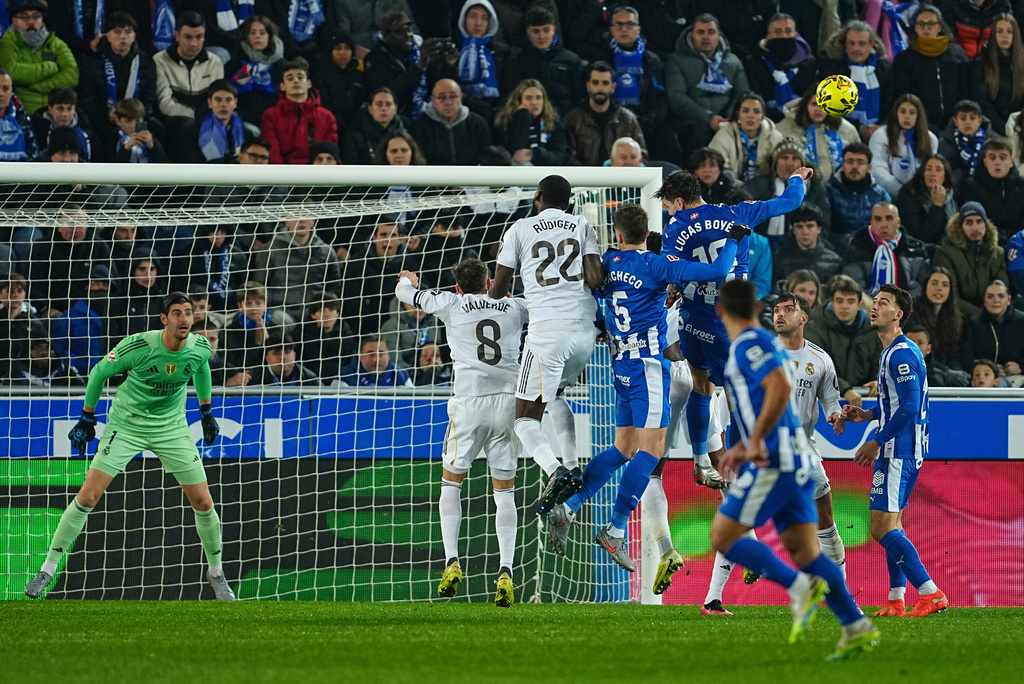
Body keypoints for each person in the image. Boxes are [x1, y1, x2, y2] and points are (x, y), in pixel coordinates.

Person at [542, 203, 744, 579]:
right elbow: (717, 271)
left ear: (617, 234)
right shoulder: (655, 264)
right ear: (646, 230)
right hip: (649, 367)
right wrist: (733, 239)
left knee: (624, 449)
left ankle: (569, 507)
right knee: (651, 452)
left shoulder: (605, 263)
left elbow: (594, 302)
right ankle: (616, 530)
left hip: (619, 365)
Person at [24, 292, 234, 601]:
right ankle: (48, 568)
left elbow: (201, 368)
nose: (184, 319)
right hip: (127, 425)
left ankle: (216, 573)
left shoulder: (200, 347)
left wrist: (206, 411)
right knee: (88, 496)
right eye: (177, 313)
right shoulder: (138, 346)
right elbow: (98, 373)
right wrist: (87, 419)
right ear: (164, 319)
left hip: (171, 428)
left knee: (203, 502)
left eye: (188, 313)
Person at [711, 279, 878, 659]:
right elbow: (774, 400)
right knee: (806, 551)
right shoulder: (769, 344)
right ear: (758, 308)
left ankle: (799, 588)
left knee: (723, 536)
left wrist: (754, 442)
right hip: (795, 455)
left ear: (721, 311)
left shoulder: (749, 344)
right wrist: (742, 443)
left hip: (776, 459)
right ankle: (855, 625)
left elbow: (780, 389)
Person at [656, 166, 809, 489]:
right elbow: (789, 202)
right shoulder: (738, 213)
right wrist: (796, 177)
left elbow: (671, 274)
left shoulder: (674, 228)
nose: (670, 211)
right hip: (728, 319)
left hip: (692, 318)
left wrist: (674, 285)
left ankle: (700, 463)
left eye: (669, 205)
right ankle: (750, 462)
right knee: (743, 394)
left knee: (702, 388)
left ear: (680, 202)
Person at [395, 260, 529, 606]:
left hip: (469, 404)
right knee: (505, 492)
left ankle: (452, 560)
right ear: (489, 281)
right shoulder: (514, 306)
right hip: (507, 403)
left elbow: (404, 294)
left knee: (451, 483)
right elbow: (542, 311)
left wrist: (408, 279)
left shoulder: (451, 303)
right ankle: (505, 569)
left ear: (458, 286)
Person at [488, 175, 604, 510]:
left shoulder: (520, 229)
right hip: (584, 335)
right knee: (554, 395)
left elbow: (498, 290)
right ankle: (571, 464)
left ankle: (556, 472)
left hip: (547, 334)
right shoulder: (582, 224)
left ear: (538, 196)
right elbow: (595, 278)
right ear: (568, 202)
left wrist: (498, 289)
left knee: (523, 419)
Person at [842, 284, 949, 618]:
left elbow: (911, 406)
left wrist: (876, 440)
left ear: (898, 314)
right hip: (905, 449)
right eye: (874, 302)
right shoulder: (893, 350)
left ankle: (931, 593)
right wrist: (869, 414)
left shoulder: (901, 353)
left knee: (881, 528)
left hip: (898, 450)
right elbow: (896, 403)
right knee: (893, 525)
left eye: (883, 303)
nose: (875, 307)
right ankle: (896, 597)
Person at [771, 293, 848, 576]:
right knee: (737, 525)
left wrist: (836, 415)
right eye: (777, 310)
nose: (780, 314)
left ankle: (840, 590)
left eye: (788, 310)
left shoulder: (820, 360)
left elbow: (831, 401)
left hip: (804, 450)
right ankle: (714, 598)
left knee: (825, 521)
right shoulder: (762, 353)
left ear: (804, 318)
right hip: (765, 451)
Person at [665, 13, 750, 157]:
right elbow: (677, 98)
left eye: (711, 32)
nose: (706, 37)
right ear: (692, 35)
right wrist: (708, 118)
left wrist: (729, 118)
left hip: (728, 121)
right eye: (700, 32)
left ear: (719, 36)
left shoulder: (733, 61)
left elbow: (742, 94)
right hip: (692, 123)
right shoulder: (676, 60)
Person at [78, 11, 157, 161]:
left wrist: (138, 116)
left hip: (138, 119)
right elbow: (87, 100)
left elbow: (150, 97)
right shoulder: (92, 62)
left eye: (128, 32)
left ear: (134, 36)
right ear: (107, 36)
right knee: (100, 134)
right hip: (105, 119)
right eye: (117, 32)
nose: (123, 37)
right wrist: (107, 113)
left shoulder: (146, 62)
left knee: (156, 129)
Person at [605, 5, 678, 164]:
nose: (624, 29)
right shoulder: (602, 57)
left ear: (638, 29)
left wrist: (649, 120)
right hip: (612, 119)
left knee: (669, 141)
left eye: (629, 25)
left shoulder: (651, 60)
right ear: (612, 29)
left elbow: (660, 96)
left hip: (646, 120)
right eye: (618, 24)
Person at [805, 274, 882, 408]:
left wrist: (878, 381)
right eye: (839, 301)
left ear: (860, 305)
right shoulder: (815, 328)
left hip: (864, 402)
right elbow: (817, 367)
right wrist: (844, 390)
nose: (844, 306)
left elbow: (880, 364)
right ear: (832, 303)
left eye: (850, 301)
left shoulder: (874, 331)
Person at [363, 11, 457, 119]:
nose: (408, 35)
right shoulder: (375, 59)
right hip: (397, 117)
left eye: (409, 29)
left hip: (429, 112)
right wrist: (418, 67)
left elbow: (437, 87)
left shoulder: (421, 51)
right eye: (399, 31)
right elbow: (386, 94)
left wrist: (448, 67)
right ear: (385, 35)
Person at [743, 136, 832, 248]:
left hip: (804, 249)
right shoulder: (758, 185)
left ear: (802, 164)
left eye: (795, 158)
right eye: (784, 158)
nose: (790, 163)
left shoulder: (814, 187)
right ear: (775, 163)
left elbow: (824, 223)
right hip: (763, 248)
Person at [891, 5, 968, 133]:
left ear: (939, 27)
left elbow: (967, 89)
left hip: (957, 124)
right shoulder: (904, 59)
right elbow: (901, 95)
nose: (926, 28)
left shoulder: (957, 53)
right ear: (915, 27)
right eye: (921, 24)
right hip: (920, 126)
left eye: (931, 24)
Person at [815, 19, 895, 143]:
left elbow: (891, 103)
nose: (855, 48)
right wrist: (858, 127)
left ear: (871, 45)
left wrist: (881, 127)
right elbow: (828, 106)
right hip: (840, 132)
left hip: (880, 132)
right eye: (851, 43)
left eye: (861, 43)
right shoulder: (831, 68)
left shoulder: (885, 68)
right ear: (844, 45)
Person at [252, 218, 341, 322]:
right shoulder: (270, 250)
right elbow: (259, 287)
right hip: (280, 312)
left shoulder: (327, 252)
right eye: (295, 217)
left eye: (306, 215)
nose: (301, 221)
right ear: (287, 222)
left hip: (316, 313)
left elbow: (334, 288)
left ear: (313, 221)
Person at [0, 0, 79, 116]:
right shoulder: (7, 43)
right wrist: (50, 67)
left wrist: (37, 86)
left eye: (36, 16)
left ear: (42, 19)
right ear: (14, 20)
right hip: (23, 113)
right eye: (24, 17)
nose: (31, 21)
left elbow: (72, 75)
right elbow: (11, 71)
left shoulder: (56, 43)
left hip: (56, 115)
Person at [564, 62, 647, 166]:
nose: (600, 88)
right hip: (584, 179)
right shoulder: (573, 119)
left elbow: (641, 156)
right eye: (595, 82)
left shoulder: (628, 119)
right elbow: (568, 157)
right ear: (588, 86)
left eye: (605, 83)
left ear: (613, 87)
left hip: (620, 179)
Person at [843, 201, 930, 298]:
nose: (884, 224)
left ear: (898, 222)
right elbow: (855, 291)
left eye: (889, 218)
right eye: (878, 219)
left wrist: (901, 306)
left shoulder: (914, 249)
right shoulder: (856, 250)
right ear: (871, 223)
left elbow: (923, 288)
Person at [260, 57, 338, 165]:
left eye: (300, 77)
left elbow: (329, 153)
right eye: (290, 78)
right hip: (283, 176)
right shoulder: (270, 115)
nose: (296, 81)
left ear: (309, 84)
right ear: (282, 86)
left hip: (317, 175)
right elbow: (273, 153)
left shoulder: (327, 117)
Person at [933, 202, 1009, 310]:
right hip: (960, 316)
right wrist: (980, 318)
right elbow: (951, 298)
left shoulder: (998, 253)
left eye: (979, 221)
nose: (975, 228)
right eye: (969, 222)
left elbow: (1002, 291)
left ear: (986, 225)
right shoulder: (946, 253)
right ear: (960, 226)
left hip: (992, 313)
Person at [743, 12, 817, 123]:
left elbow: (811, 98)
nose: (784, 36)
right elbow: (755, 99)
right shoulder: (754, 62)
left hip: (802, 120)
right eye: (778, 32)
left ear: (795, 35)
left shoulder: (808, 63)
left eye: (788, 31)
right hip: (765, 123)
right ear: (768, 36)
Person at [776, 85, 859, 182]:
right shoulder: (784, 128)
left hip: (841, 189)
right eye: (814, 104)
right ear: (806, 105)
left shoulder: (846, 129)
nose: (819, 109)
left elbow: (860, 159)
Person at [455, 1, 521, 122]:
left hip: (494, 115)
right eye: (473, 16)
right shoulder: (454, 51)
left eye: (484, 18)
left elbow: (510, 89)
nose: (478, 23)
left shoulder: (504, 53)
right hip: (458, 113)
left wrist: (498, 113)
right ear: (464, 19)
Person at [154, 12, 225, 123]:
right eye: (188, 37)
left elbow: (218, 99)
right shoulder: (160, 61)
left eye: (199, 37)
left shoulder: (215, 62)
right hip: (175, 120)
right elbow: (165, 104)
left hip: (208, 119)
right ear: (177, 36)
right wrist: (197, 117)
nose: (193, 43)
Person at [515, 6, 585, 117]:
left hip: (565, 120)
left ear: (553, 29)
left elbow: (580, 97)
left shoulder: (571, 60)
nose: (541, 36)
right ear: (528, 32)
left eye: (546, 30)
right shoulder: (520, 60)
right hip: (531, 119)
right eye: (536, 31)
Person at [223, 14, 287, 129]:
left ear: (270, 36)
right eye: (252, 33)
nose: (257, 36)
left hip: (278, 121)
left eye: (262, 33)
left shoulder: (282, 66)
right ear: (246, 37)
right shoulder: (235, 64)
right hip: (244, 121)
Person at [869, 94, 940, 198]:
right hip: (887, 194)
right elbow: (877, 170)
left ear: (918, 116)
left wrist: (918, 192)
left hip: (919, 194)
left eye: (912, 113)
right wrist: (903, 192)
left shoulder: (931, 139)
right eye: (903, 111)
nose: (907, 116)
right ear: (896, 113)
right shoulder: (880, 135)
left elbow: (930, 171)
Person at [409, 78, 492, 165]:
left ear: (461, 98)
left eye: (453, 96)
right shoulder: (419, 126)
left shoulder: (477, 123)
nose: (448, 102)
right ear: (433, 100)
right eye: (442, 97)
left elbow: (486, 157)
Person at [825, 141, 892, 244]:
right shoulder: (829, 191)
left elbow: (890, 228)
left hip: (873, 247)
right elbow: (823, 231)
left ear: (869, 168)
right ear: (842, 165)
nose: (855, 166)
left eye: (860, 162)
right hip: (838, 249)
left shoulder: (881, 195)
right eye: (850, 161)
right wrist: (847, 241)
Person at [960, 137, 1024, 244]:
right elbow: (974, 222)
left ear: (1011, 162)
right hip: (986, 245)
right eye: (992, 157)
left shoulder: (1022, 185)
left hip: (1019, 244)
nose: (997, 162)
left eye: (1002, 158)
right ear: (985, 161)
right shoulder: (971, 186)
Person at [493, 78, 569, 166]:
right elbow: (514, 151)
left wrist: (534, 154)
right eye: (528, 98)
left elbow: (559, 157)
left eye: (538, 98)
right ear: (519, 101)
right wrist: (522, 116)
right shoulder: (506, 121)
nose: (534, 102)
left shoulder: (554, 123)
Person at [709, 92, 782, 182]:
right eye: (745, 111)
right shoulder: (723, 135)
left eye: (756, 111)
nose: (750, 115)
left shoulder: (775, 137)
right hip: (732, 188)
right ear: (738, 114)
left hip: (765, 188)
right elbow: (718, 169)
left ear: (763, 116)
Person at [972, 13, 1024, 136]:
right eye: (999, 31)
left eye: (1009, 31)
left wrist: (1017, 124)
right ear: (993, 35)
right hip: (991, 128)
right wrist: (1003, 128)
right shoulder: (981, 63)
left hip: (1019, 126)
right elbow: (982, 102)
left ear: (1015, 35)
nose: (1004, 35)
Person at [960, 279, 1024, 375]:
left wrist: (1021, 368)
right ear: (984, 300)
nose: (996, 300)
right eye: (990, 297)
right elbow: (967, 359)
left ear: (1009, 300)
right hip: (986, 379)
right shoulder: (974, 322)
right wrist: (989, 369)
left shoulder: (1021, 321)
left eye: (1001, 296)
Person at [894, 153, 959, 246]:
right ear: (922, 173)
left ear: (945, 176)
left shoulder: (952, 195)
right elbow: (920, 238)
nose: (933, 174)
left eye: (938, 170)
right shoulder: (908, 195)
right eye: (928, 169)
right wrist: (937, 207)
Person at [907, 267, 966, 368]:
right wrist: (947, 373)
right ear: (926, 286)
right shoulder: (911, 313)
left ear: (950, 290)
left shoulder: (957, 319)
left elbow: (955, 353)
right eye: (934, 283)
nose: (939, 288)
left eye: (945, 285)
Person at [772, 202, 842, 285]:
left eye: (810, 226)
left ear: (819, 229)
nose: (805, 232)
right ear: (793, 230)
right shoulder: (779, 259)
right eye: (799, 227)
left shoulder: (834, 261)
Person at [311, 29, 366, 132]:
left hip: (356, 127)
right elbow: (323, 104)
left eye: (347, 48)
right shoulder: (320, 74)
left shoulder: (358, 76)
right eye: (337, 48)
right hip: (330, 126)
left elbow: (362, 103)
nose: (342, 52)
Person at [296, 296, 356, 381]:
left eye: (331, 310)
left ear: (337, 314)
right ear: (313, 315)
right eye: (321, 311)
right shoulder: (300, 334)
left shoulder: (347, 336)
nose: (327, 315)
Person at [341, 87, 405, 165]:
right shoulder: (355, 135)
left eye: (388, 104)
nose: (384, 108)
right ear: (370, 109)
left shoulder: (406, 133)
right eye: (379, 104)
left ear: (395, 108)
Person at [30, 86, 94, 163]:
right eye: (60, 109)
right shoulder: (36, 130)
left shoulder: (86, 132)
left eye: (69, 109)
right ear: (50, 109)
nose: (65, 114)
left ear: (74, 109)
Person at [936, 100, 992, 183]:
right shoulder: (943, 144)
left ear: (979, 121)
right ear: (955, 122)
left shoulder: (992, 143)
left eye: (972, 118)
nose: (968, 122)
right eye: (963, 118)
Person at [904, 324, 969, 387]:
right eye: (910, 343)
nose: (915, 347)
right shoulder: (893, 371)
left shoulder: (942, 376)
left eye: (920, 343)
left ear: (929, 349)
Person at [335, 335, 414, 387]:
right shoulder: (344, 379)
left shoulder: (401, 376)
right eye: (371, 354)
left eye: (381, 354)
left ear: (388, 354)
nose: (376, 360)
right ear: (360, 355)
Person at [112, 97, 170, 163]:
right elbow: (111, 168)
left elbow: (165, 164)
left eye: (137, 120)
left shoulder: (151, 137)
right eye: (128, 121)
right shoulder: (114, 139)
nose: (133, 125)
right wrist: (126, 149)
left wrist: (153, 147)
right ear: (118, 122)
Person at [0, 67, 38, 161]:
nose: (1, 93)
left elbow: (33, 153)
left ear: (11, 92)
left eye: (5, 89)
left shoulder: (21, 118)